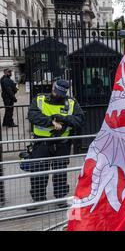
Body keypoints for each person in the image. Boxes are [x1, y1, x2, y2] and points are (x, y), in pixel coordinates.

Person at [27, 79, 85, 209]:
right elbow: (32, 116)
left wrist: (62, 118)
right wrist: (51, 122)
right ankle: (38, 199)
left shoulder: (71, 103)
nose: (57, 94)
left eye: (61, 93)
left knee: (60, 172)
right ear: (53, 88)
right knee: (38, 172)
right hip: (41, 143)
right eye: (56, 91)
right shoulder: (39, 99)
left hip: (61, 144)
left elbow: (80, 120)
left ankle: (60, 198)